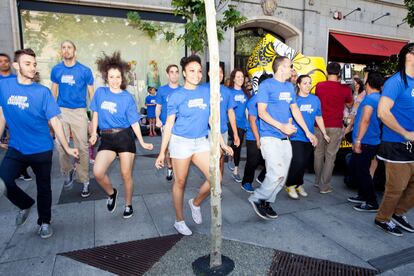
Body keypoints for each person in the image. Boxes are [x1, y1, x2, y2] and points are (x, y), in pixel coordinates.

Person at [0, 48, 78, 238]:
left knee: (44, 188)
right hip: (17, 147)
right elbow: (2, 113)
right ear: (16, 65)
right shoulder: (4, 86)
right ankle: (25, 203)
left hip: (41, 149)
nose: (33, 67)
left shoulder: (42, 92)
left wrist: (66, 147)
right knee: (4, 181)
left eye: (34, 64)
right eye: (28, 64)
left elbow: (55, 121)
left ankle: (44, 221)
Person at [155, 55, 232, 235]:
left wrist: (221, 143)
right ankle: (179, 220)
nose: (196, 74)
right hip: (180, 142)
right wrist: (161, 152)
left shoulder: (206, 92)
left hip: (201, 142)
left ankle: (195, 203)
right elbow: (169, 125)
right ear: (184, 73)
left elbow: (213, 120)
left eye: (199, 71)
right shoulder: (176, 96)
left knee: (217, 179)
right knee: (180, 182)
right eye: (192, 70)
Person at [248, 56, 317, 220]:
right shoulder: (266, 86)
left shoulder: (289, 87)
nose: (292, 69)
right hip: (269, 137)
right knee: (276, 172)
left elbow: (295, 110)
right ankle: (257, 198)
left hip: (285, 138)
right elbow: (261, 113)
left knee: (283, 176)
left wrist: (308, 132)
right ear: (281, 68)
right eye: (290, 66)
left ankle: (266, 201)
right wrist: (281, 126)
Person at [89, 52, 153, 219]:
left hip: (124, 137)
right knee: (97, 172)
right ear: (106, 77)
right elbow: (95, 113)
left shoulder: (127, 97)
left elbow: (133, 122)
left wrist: (142, 141)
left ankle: (128, 204)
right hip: (107, 138)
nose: (115, 80)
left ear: (122, 78)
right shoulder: (100, 93)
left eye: (118, 77)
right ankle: (112, 193)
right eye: (112, 77)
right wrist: (93, 133)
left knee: (126, 174)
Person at [375, 43, 414, 236]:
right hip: (396, 143)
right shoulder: (396, 81)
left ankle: (398, 213)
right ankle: (383, 218)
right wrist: (406, 133)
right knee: (396, 187)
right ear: (409, 56)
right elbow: (382, 112)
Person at [51, 40, 94, 198]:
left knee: (82, 147)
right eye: (63, 47)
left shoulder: (84, 70)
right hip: (61, 111)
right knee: (60, 144)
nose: (66, 50)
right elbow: (53, 92)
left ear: (74, 51)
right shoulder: (56, 70)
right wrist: (51, 113)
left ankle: (84, 180)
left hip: (79, 112)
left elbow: (92, 95)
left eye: (69, 47)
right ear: (61, 51)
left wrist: (92, 118)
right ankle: (68, 170)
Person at [285, 75, 330, 199]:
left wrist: (324, 133)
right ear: (298, 85)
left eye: (310, 83)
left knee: (303, 163)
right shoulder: (294, 100)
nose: (308, 85)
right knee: (297, 161)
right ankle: (290, 184)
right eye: (305, 83)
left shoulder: (315, 100)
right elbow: (289, 117)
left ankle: (299, 184)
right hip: (296, 136)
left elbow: (318, 117)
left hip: (310, 137)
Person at [347, 72, 384, 212]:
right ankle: (363, 195)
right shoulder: (379, 98)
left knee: (362, 171)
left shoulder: (370, 100)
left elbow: (365, 120)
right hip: (372, 140)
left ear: (367, 82)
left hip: (365, 141)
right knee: (358, 169)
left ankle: (372, 202)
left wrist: (358, 140)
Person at [314, 62, 353, 194]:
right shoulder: (345, 88)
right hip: (335, 125)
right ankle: (324, 186)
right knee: (330, 156)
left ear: (326, 72)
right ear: (339, 74)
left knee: (318, 154)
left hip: (319, 125)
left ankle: (317, 181)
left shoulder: (319, 86)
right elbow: (349, 104)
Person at [201, 64, 239, 176]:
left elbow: (231, 113)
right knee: (209, 160)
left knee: (220, 158)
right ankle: (211, 182)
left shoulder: (227, 91)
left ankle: (218, 184)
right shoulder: (202, 89)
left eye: (221, 72)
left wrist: (236, 134)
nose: (219, 75)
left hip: (222, 130)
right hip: (205, 132)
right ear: (209, 73)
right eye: (216, 72)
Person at [155, 64, 181, 182]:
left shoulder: (182, 90)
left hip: (180, 125)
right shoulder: (162, 89)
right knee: (168, 149)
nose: (174, 74)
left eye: (176, 72)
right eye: (172, 72)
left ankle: (177, 171)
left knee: (177, 149)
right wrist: (157, 119)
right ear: (167, 74)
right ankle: (170, 167)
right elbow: (158, 106)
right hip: (166, 124)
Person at [240, 93, 266, 193]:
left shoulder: (271, 98)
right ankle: (246, 182)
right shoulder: (254, 100)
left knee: (271, 159)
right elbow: (252, 121)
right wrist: (258, 139)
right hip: (253, 136)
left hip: (267, 135)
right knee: (253, 161)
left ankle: (261, 177)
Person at [228, 69, 249, 183]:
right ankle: (236, 170)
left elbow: (246, 108)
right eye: (238, 77)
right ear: (233, 78)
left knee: (237, 143)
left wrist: (248, 122)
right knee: (238, 141)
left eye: (242, 77)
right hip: (231, 122)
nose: (241, 79)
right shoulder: (229, 92)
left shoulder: (245, 93)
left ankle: (230, 152)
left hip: (242, 123)